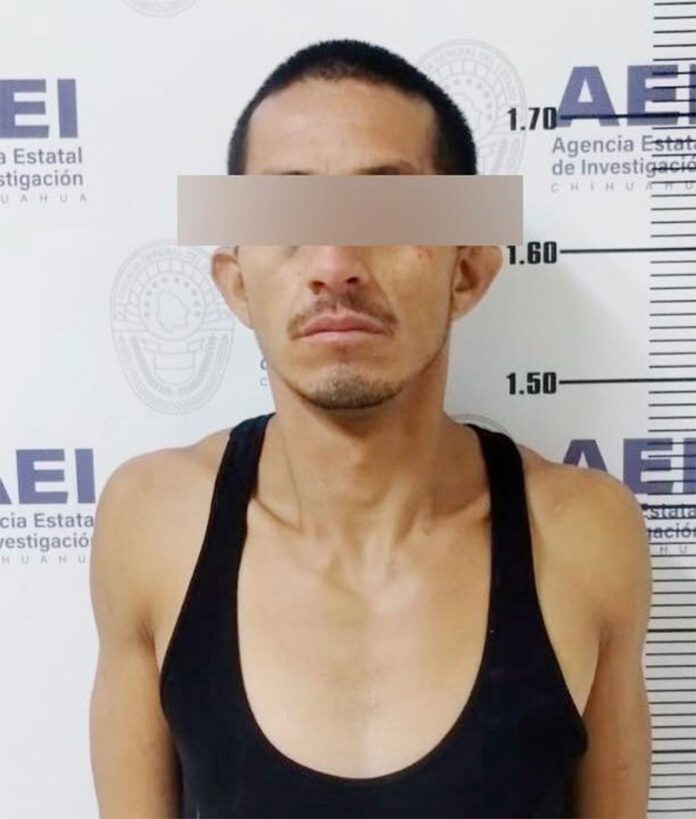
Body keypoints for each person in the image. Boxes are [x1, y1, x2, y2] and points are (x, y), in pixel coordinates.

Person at [89, 38, 652, 818]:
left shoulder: (586, 535)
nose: (335, 263)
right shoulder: (152, 524)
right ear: (237, 282)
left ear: (467, 271)